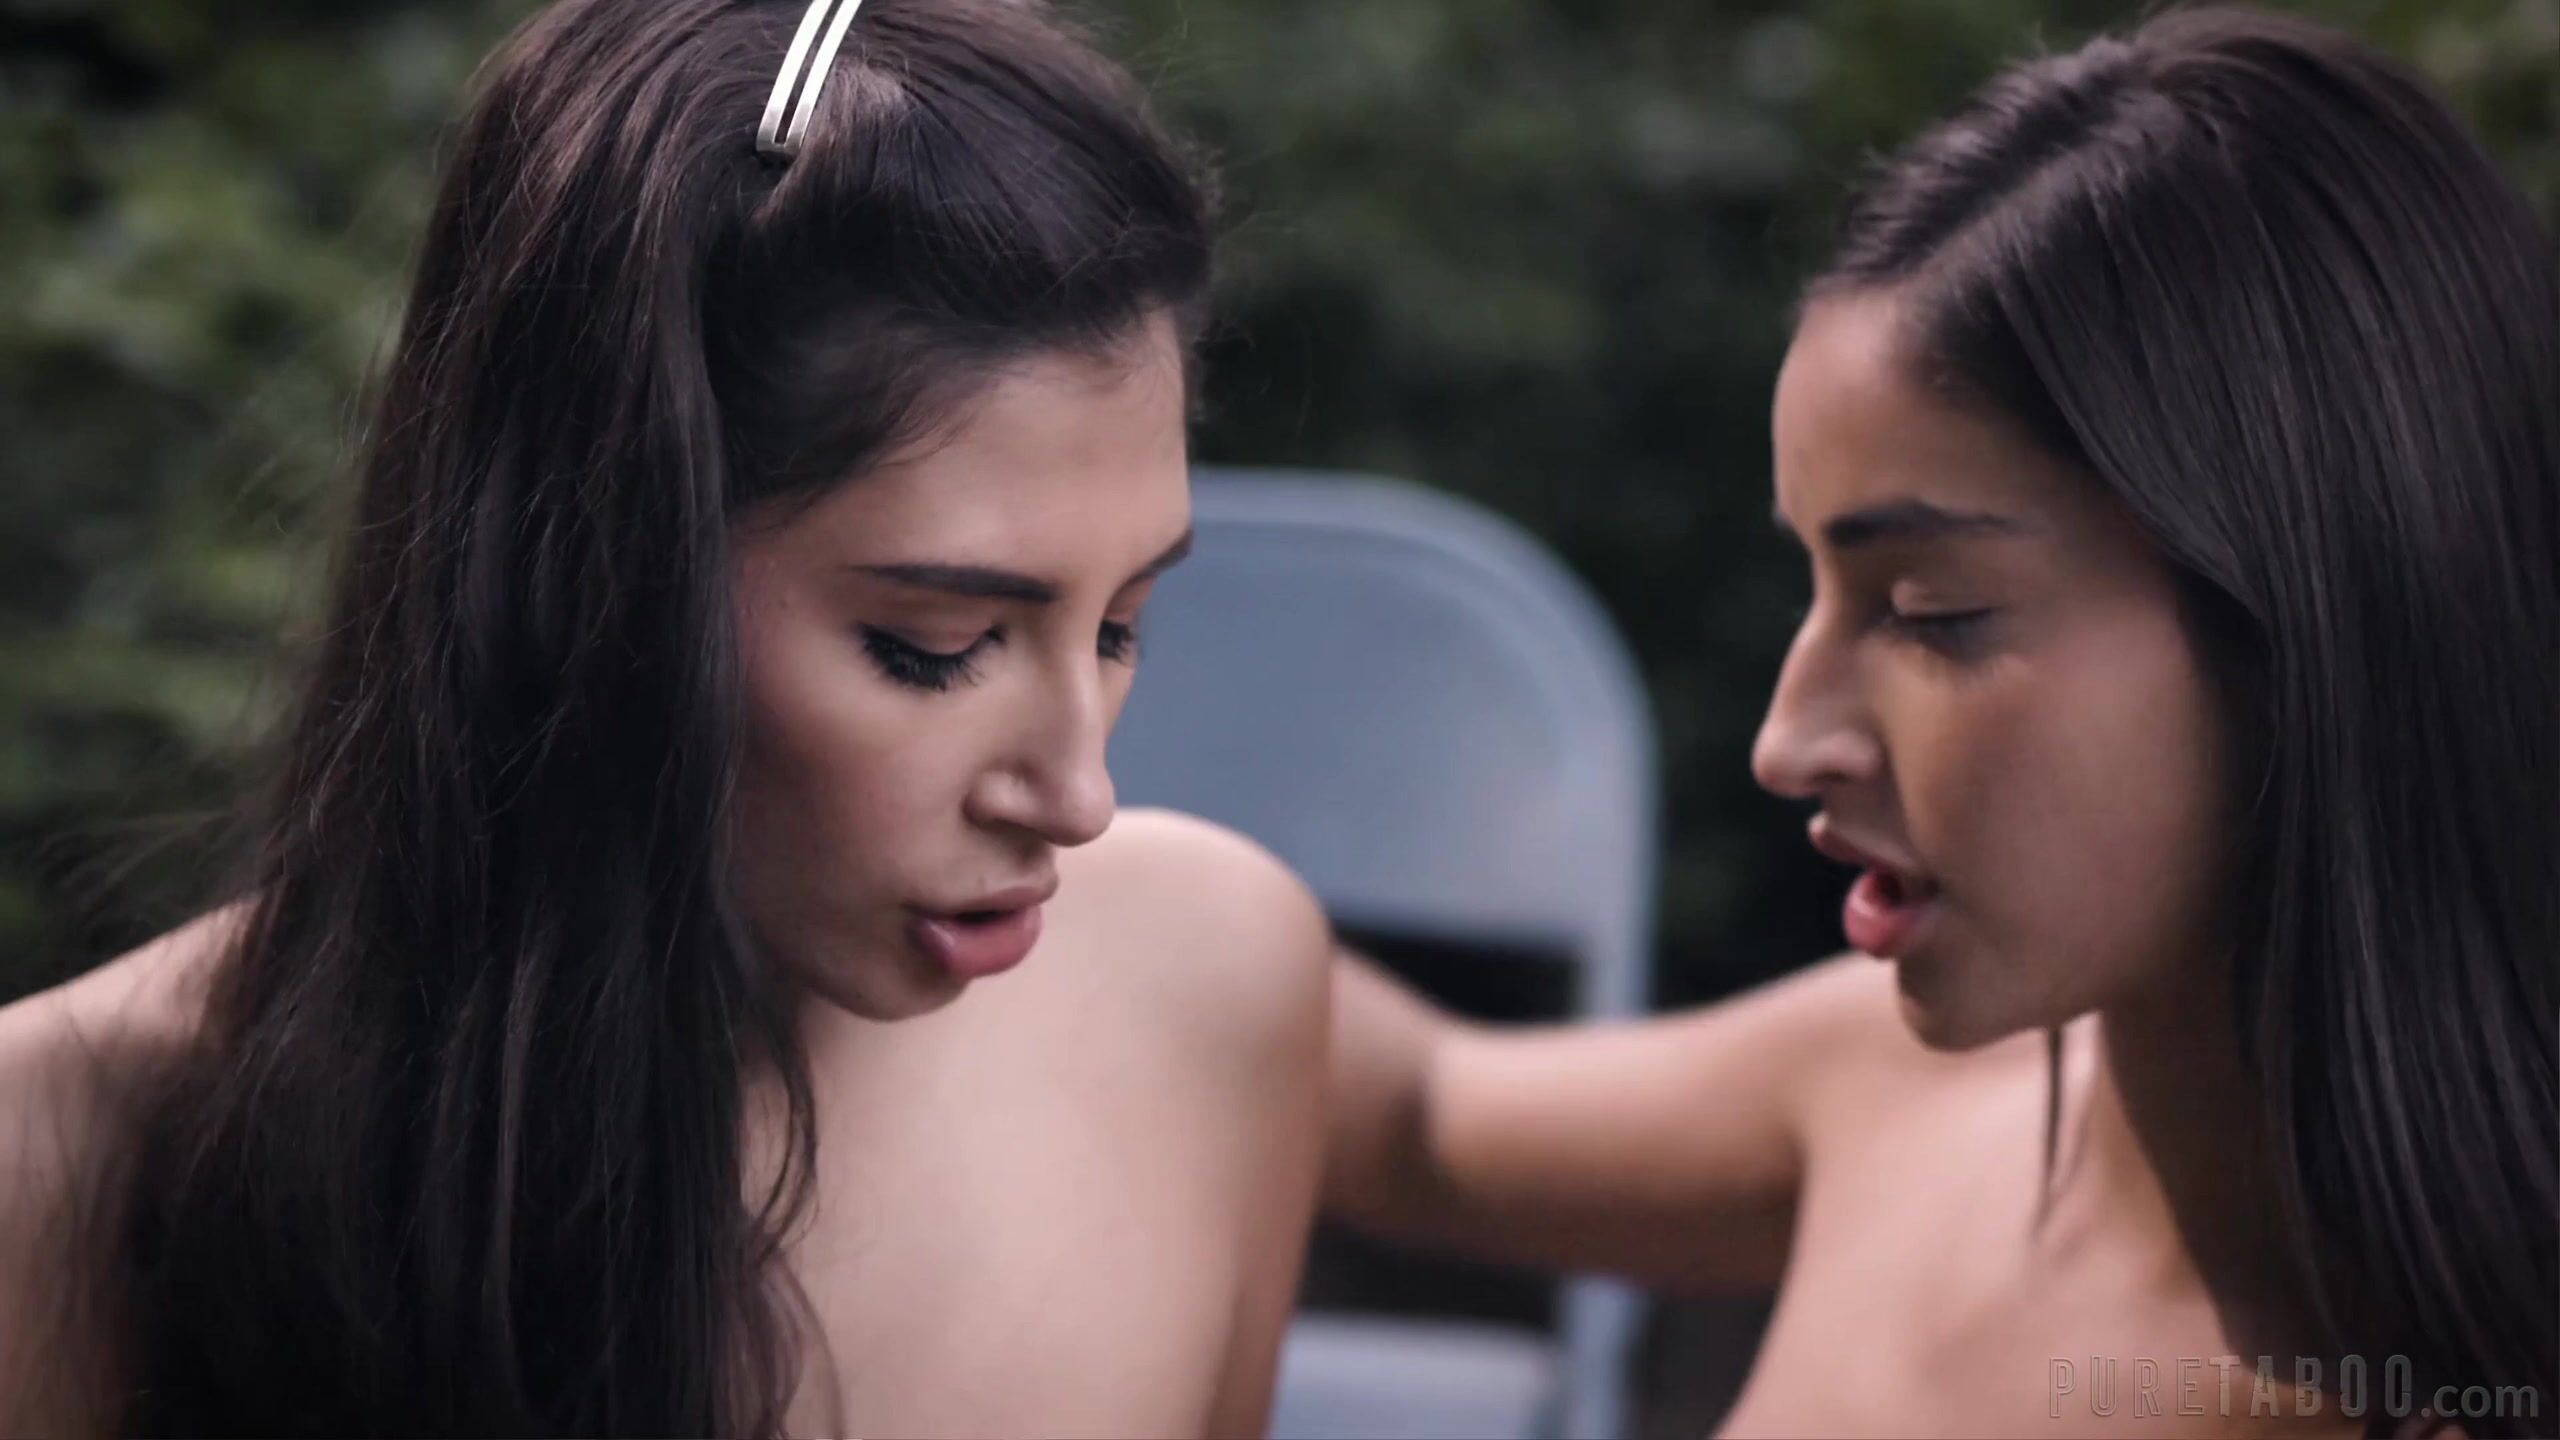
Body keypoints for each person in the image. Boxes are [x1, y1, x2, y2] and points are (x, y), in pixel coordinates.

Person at [0, 1, 1331, 1434]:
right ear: (595, 580)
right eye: (936, 648)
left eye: (1123, 623)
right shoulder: (53, 1164)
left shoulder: (1210, 987)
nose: (1078, 795)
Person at [1327, 9, 2556, 1437]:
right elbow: (1416, 1115)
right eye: (1816, 588)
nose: (1787, 741)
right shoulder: (1897, 1090)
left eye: (1932, 610)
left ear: (2317, 625)